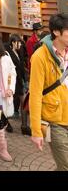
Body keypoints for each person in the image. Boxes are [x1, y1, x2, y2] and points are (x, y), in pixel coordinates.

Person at [29, 14, 68, 171]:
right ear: (56, 32)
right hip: (55, 120)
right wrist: (36, 131)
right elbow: (35, 95)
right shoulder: (40, 56)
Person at [6, 35, 31, 136]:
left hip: (19, 82)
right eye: (18, 42)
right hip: (9, 83)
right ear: (13, 42)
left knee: (24, 102)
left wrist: (25, 78)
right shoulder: (6, 53)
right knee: (3, 104)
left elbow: (21, 66)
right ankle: (3, 122)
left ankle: (24, 126)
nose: (20, 44)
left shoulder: (19, 51)